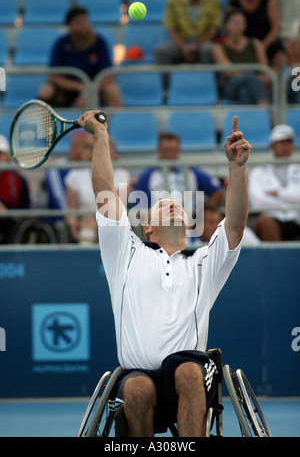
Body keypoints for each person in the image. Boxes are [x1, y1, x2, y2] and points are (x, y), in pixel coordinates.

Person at [78, 109, 251, 437]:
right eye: (161, 204)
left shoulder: (204, 262)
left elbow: (237, 221)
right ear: (148, 228)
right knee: (138, 389)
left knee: (186, 371)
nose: (171, 203)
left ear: (188, 224)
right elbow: (104, 192)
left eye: (178, 204)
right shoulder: (125, 254)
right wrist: (100, 136)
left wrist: (237, 167)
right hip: (137, 378)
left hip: (192, 378)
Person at [38, 6, 123, 108]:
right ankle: (44, 122)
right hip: (68, 89)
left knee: (113, 90)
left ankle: (113, 122)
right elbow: (53, 76)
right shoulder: (61, 43)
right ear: (70, 25)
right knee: (46, 90)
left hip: (95, 88)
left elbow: (109, 75)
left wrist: (90, 91)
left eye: (85, 21)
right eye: (78, 22)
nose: (83, 25)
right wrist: (80, 87)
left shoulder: (100, 42)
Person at [134, 131, 223, 216]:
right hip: (159, 226)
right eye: (166, 150)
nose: (169, 154)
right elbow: (139, 207)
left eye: (173, 150)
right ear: (159, 150)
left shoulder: (191, 172)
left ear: (178, 150)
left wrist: (201, 214)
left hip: (188, 224)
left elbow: (216, 191)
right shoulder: (147, 176)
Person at [65, 133, 132, 244]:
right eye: (101, 154)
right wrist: (73, 225)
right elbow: (71, 209)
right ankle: (86, 256)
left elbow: (121, 206)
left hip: (113, 219)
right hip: (84, 220)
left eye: (108, 154)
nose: (104, 159)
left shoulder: (122, 174)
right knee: (87, 223)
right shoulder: (75, 175)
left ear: (114, 155)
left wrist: (100, 222)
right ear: (92, 153)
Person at [248, 124, 300, 241]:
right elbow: (257, 202)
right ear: (272, 145)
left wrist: (279, 194)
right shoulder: (258, 171)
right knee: (265, 221)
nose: (286, 146)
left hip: (297, 218)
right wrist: (290, 203)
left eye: (289, 143)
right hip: (273, 217)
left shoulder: (298, 168)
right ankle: (274, 259)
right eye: (281, 143)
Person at [212, 9, 270, 105]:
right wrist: (251, 75)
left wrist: (261, 77)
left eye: (241, 23)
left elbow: (264, 69)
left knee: (244, 91)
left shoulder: (256, 44)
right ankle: (265, 110)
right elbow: (228, 71)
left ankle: (249, 119)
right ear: (226, 25)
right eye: (235, 23)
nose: (238, 26)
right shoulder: (218, 48)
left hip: (252, 85)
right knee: (251, 78)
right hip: (230, 85)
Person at [154, 0, 222, 66]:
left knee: (209, 49)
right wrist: (184, 48)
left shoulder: (213, 0)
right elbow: (171, 30)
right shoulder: (174, 0)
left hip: (202, 43)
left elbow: (213, 30)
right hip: (181, 44)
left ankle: (206, 78)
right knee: (161, 50)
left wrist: (197, 46)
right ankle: (165, 78)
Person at [228, 0, 286, 75]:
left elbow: (275, 28)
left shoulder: (268, 2)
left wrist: (262, 46)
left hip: (268, 43)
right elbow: (231, 27)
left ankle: (280, 84)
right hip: (245, 44)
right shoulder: (234, 4)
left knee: (280, 59)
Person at [0, 135, 31, 243]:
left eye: (0, 153)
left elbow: (25, 211)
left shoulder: (18, 181)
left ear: (7, 156)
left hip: (10, 229)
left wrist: (6, 211)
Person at [187, 205, 260, 246]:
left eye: (219, 221)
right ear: (197, 226)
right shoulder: (186, 243)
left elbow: (259, 250)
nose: (217, 226)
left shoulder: (240, 233)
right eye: (211, 222)